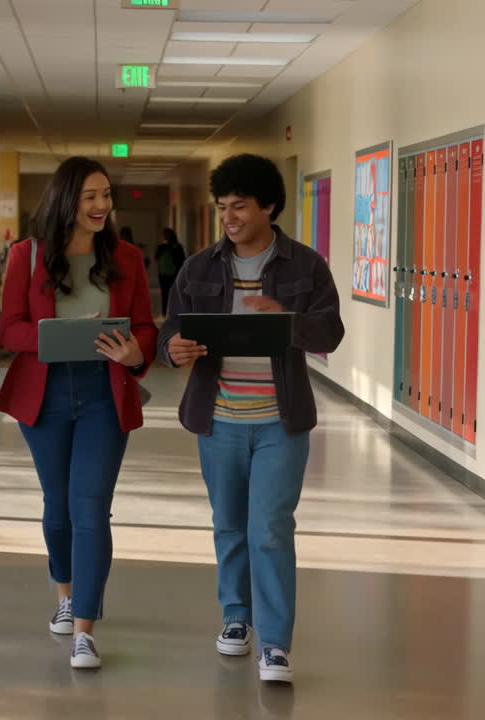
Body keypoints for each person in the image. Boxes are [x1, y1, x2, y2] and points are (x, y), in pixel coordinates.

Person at [157, 154, 344, 684]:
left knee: (270, 529)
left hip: (281, 423)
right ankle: (236, 619)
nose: (229, 217)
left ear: (268, 206)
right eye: (222, 208)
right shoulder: (198, 267)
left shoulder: (305, 266)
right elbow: (168, 333)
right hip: (218, 420)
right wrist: (177, 351)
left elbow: (329, 332)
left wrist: (288, 322)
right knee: (229, 526)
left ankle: (276, 643)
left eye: (239, 206)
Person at [0, 156, 157, 670]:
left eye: (106, 195)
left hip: (103, 393)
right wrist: (58, 338)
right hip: (43, 392)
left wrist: (136, 353)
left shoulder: (127, 256)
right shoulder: (27, 255)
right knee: (57, 506)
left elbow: (147, 327)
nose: (102, 205)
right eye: (91, 195)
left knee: (91, 509)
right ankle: (65, 595)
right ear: (67, 199)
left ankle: (84, 627)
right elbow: (9, 330)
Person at [154, 227, 186, 316]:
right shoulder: (161, 246)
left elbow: (181, 259)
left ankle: (174, 311)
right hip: (163, 273)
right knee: (164, 293)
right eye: (164, 235)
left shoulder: (177, 246)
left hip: (173, 273)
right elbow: (156, 257)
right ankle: (164, 312)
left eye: (167, 235)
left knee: (173, 293)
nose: (165, 237)